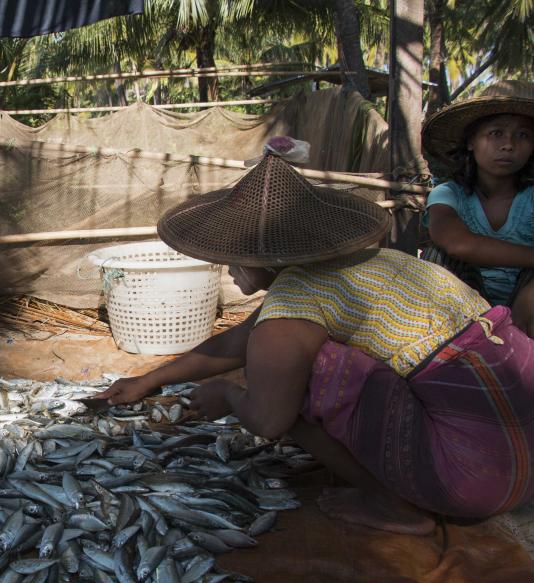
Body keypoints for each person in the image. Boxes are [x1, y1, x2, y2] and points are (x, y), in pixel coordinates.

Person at [97, 151, 534, 535]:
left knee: (291, 378)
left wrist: (230, 395)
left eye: (231, 254)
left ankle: (394, 505)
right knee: (275, 354)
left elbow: (268, 421)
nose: (225, 267)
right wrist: (150, 380)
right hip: (523, 458)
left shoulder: (294, 306)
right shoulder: (373, 263)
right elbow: (242, 338)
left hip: (470, 479)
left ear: (262, 256)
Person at [421, 80, 534, 335]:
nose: (509, 144)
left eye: (523, 135)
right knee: (437, 257)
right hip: (462, 308)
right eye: (496, 133)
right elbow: (457, 244)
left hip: (523, 308)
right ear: (471, 141)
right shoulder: (448, 194)